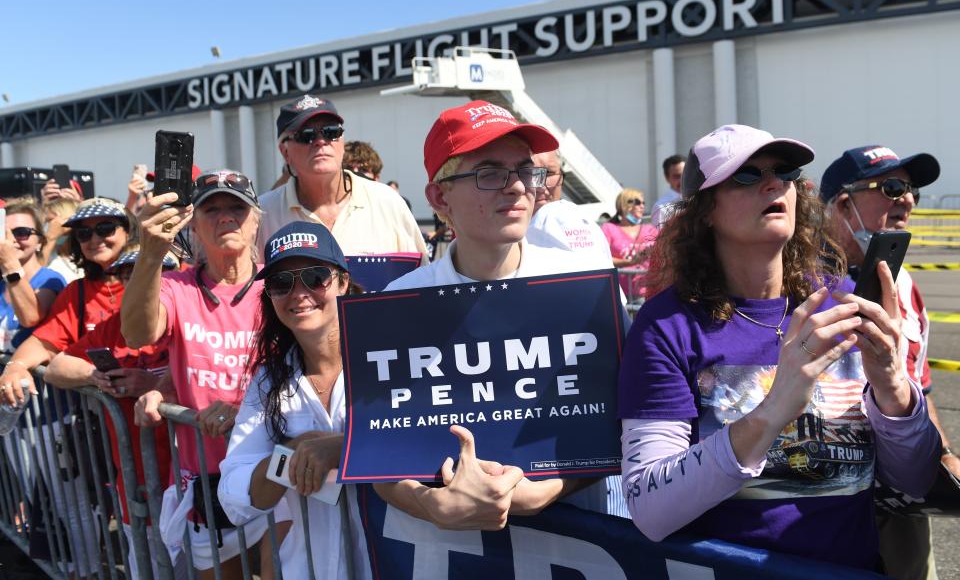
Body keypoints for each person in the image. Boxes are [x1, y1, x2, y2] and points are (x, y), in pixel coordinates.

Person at [618, 124, 941, 571]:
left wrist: (892, 390)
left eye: (784, 171)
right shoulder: (667, 326)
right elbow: (649, 509)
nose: (774, 184)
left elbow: (915, 481)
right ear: (705, 210)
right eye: (746, 176)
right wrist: (771, 412)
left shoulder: (843, 302)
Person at [377, 99, 625, 527]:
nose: (516, 187)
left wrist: (551, 487)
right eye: (489, 173)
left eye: (526, 171)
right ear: (440, 196)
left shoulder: (585, 288)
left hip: (584, 543)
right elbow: (379, 452)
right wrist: (429, 505)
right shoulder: (398, 304)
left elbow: (624, 424)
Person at [123, 170, 273, 580]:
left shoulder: (281, 287)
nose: (226, 217)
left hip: (274, 471)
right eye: (212, 209)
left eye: (237, 208)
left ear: (256, 220)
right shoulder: (175, 285)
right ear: (194, 224)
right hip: (206, 480)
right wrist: (151, 253)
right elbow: (138, 333)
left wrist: (239, 409)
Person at [820, 145, 949, 580]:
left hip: (902, 507)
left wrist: (943, 456)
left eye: (911, 189)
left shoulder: (905, 284)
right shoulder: (791, 284)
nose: (907, 200)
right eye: (892, 187)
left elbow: (920, 385)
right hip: (822, 502)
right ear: (842, 203)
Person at [219, 222, 369, 580]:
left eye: (315, 276)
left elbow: (423, 444)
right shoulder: (269, 381)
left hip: (388, 565)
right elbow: (234, 495)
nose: (299, 293)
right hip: (307, 569)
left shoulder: (389, 358)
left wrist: (343, 448)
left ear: (343, 282)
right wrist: (291, 455)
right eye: (281, 283)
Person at [0, 196, 132, 578]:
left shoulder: (158, 274)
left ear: (127, 232)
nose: (96, 239)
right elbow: (43, 344)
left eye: (107, 229)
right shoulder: (76, 292)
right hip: (102, 430)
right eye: (85, 232)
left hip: (159, 428)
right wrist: (15, 367)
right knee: (128, 517)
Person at [44, 244, 180, 580]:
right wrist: (95, 375)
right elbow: (55, 367)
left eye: (151, 272)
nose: (138, 281)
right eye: (127, 274)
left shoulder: (188, 315)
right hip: (139, 486)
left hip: (192, 484)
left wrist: (152, 382)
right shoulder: (115, 326)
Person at [256, 95, 428, 263]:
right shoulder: (262, 214)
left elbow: (421, 280)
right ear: (285, 152)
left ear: (342, 142)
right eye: (306, 135)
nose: (321, 141)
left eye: (331, 132)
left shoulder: (387, 202)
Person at [0, 197, 67, 358]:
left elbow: (30, 317)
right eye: (4, 233)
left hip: (31, 381)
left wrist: (10, 263)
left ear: (40, 241)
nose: (11, 240)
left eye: (21, 233)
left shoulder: (50, 279)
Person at [528, 148, 613, 266]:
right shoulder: (500, 232)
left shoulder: (585, 224)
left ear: (562, 176)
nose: (540, 186)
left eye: (549, 173)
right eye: (530, 173)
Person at [601, 188, 658, 302]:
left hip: (648, 292)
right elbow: (602, 259)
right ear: (624, 205)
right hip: (620, 294)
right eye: (638, 202)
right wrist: (630, 262)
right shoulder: (609, 229)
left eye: (643, 203)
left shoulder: (650, 229)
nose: (642, 206)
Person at [650, 154, 685, 227]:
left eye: (685, 175)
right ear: (667, 178)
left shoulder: (700, 198)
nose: (682, 180)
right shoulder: (661, 207)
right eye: (677, 176)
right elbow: (658, 236)